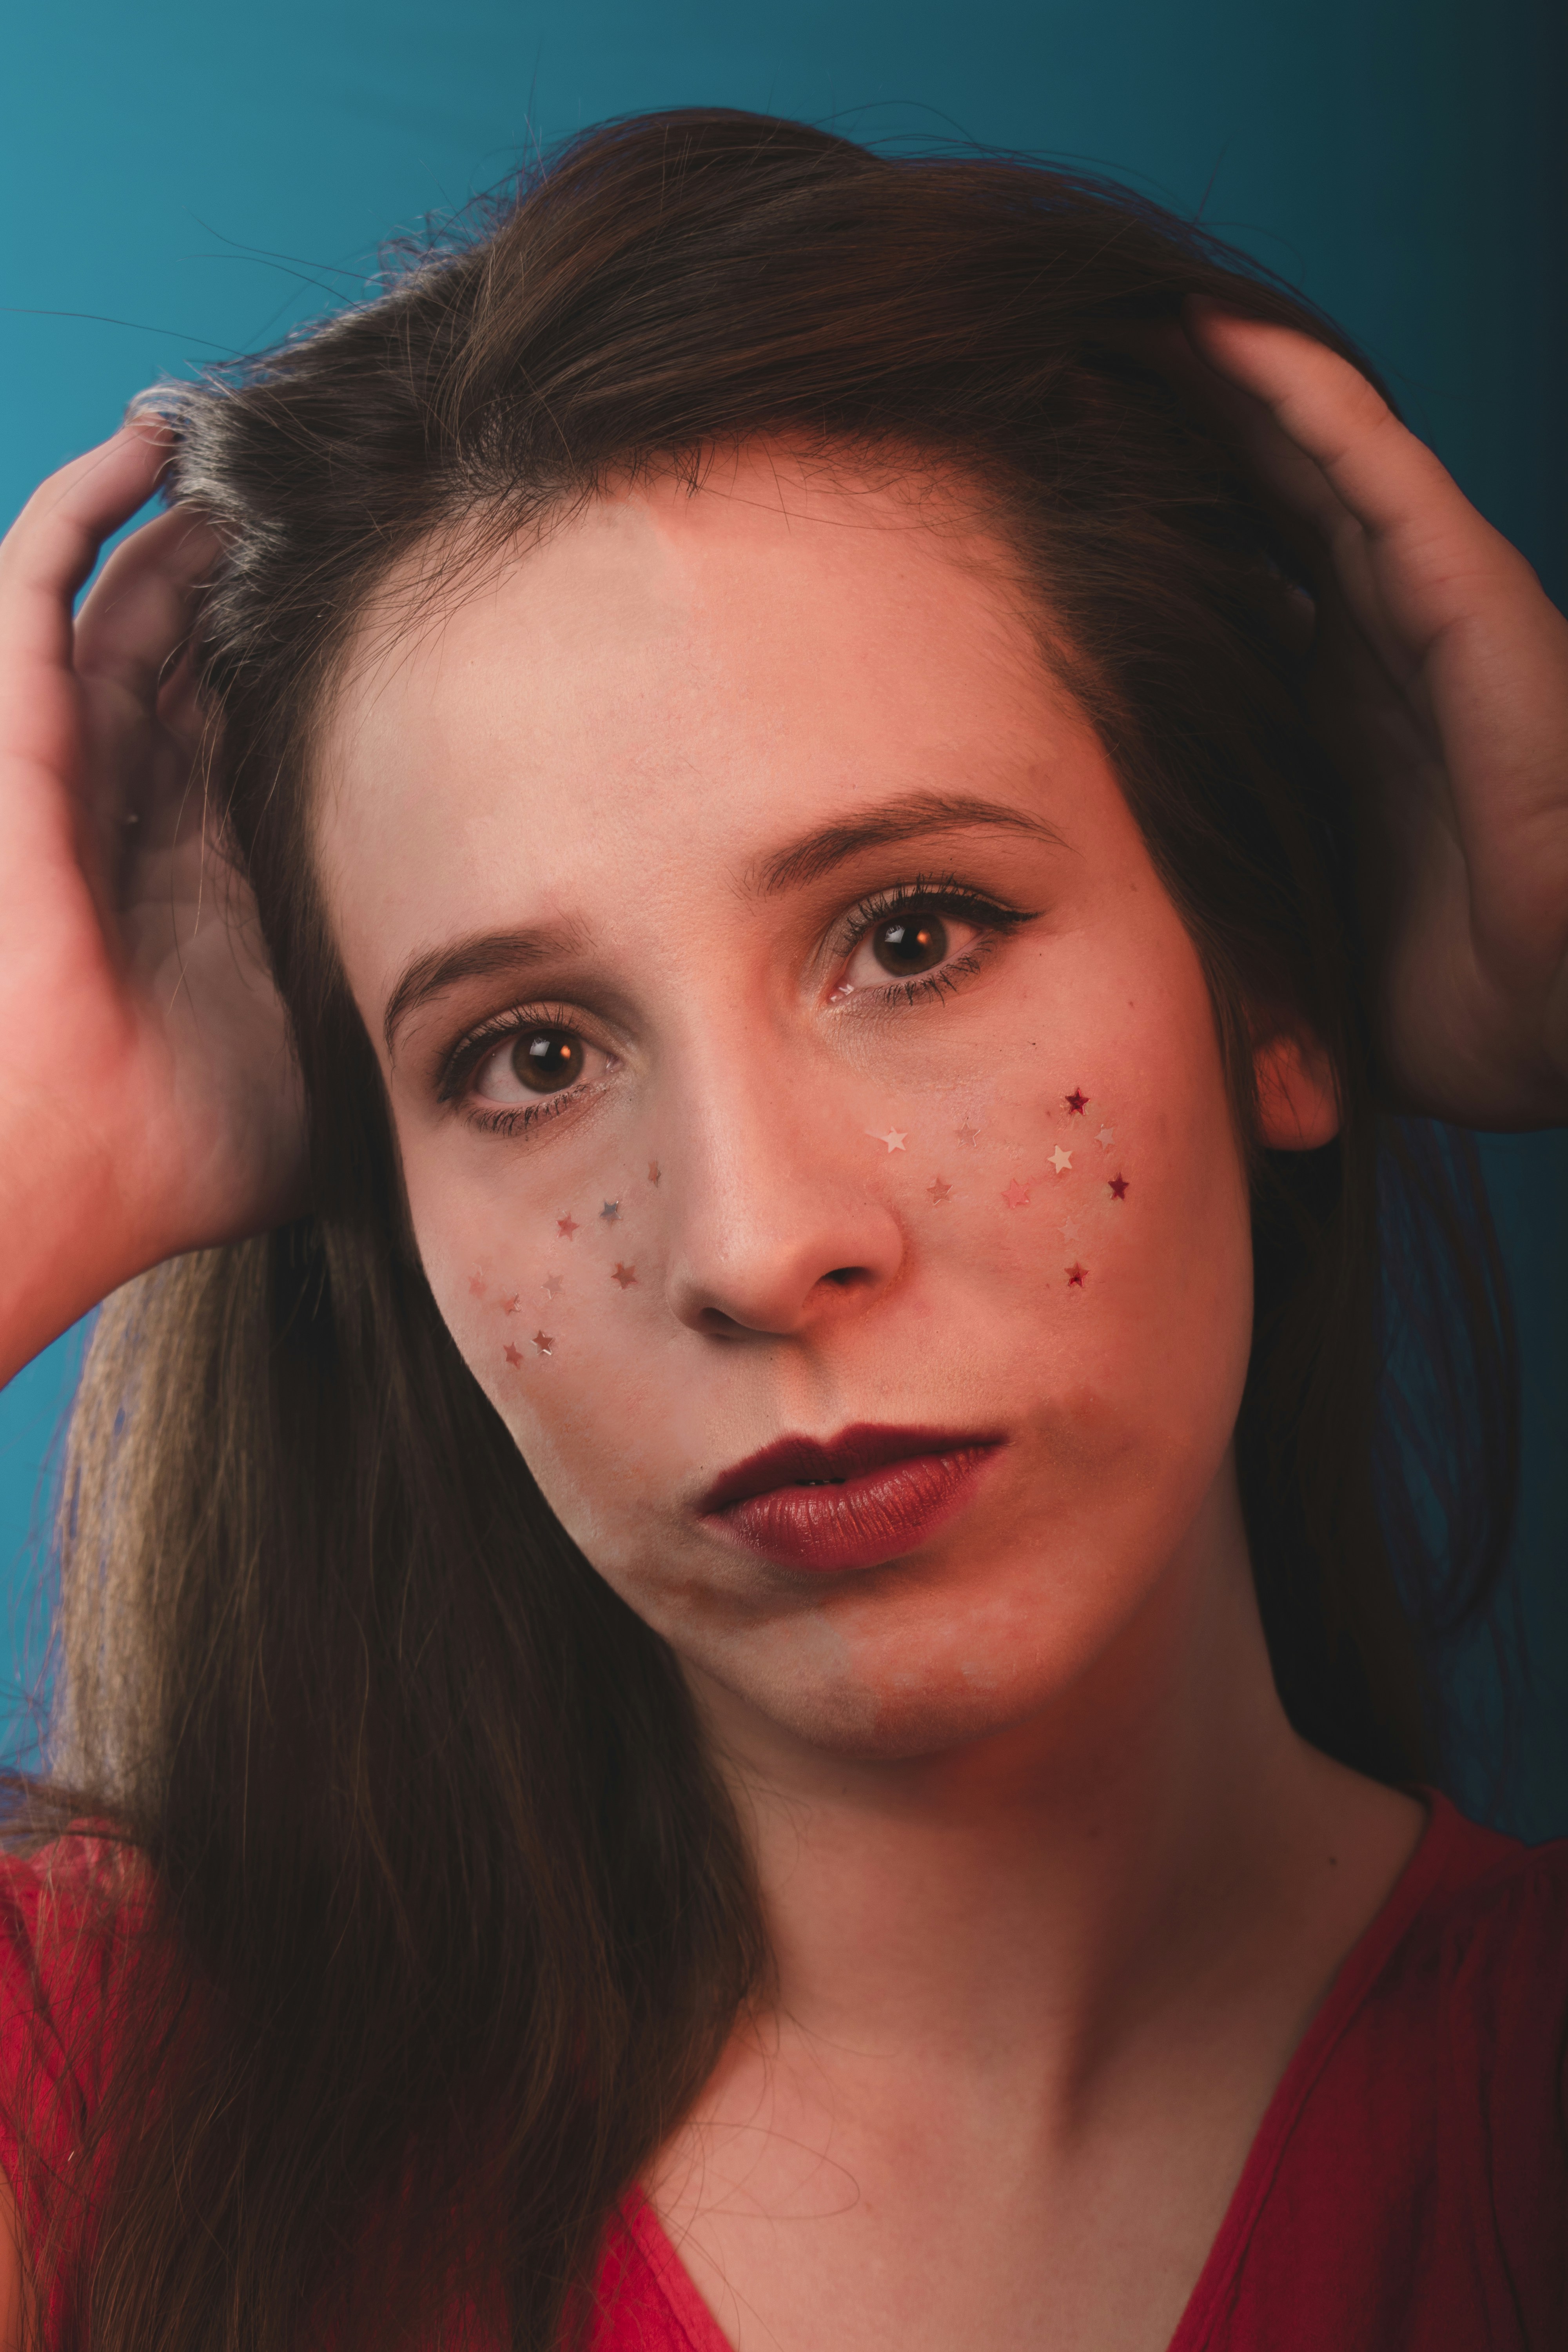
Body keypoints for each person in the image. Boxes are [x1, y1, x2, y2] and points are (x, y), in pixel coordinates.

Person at [0, 108, 1563, 2352]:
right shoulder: (102, 2122)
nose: (748, 1243)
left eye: (917, 934)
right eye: (526, 1057)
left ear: (1267, 982)